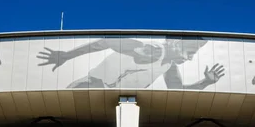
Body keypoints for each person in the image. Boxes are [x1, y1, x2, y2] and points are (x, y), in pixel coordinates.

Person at [37, 38, 224, 89]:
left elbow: (179, 91)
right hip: (87, 88)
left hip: (108, 100)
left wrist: (206, 82)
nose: (190, 58)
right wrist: (67, 56)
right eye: (190, 52)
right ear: (175, 44)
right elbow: (108, 42)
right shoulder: (153, 51)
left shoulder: (169, 66)